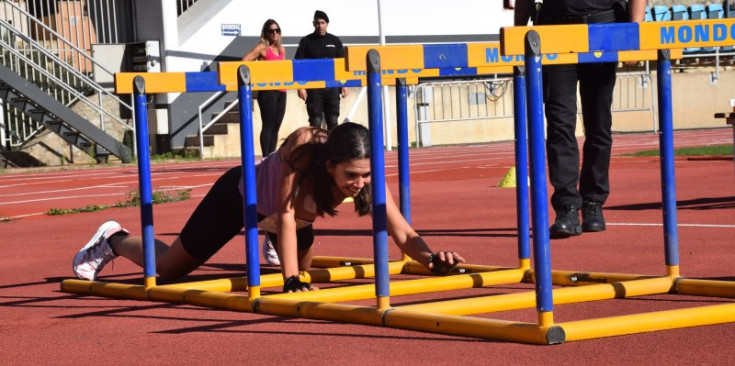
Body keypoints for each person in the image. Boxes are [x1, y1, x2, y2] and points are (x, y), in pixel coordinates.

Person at [72, 123, 465, 292]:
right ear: (329, 165)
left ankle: (276, 246)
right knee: (172, 270)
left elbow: (403, 232)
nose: (359, 184)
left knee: (305, 276)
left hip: (289, 217)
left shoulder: (365, 175)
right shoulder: (305, 151)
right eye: (351, 176)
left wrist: (431, 260)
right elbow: (289, 213)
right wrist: (289, 278)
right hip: (243, 197)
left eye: (365, 176)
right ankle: (114, 238)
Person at [514, 0, 645, 239]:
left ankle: (593, 202)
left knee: (599, 124)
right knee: (559, 123)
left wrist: (632, 34)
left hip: (603, 28)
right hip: (554, 32)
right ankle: (567, 207)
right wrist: (518, 35)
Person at [294, 10, 348, 131]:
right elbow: (299, 64)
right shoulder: (306, 41)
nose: (320, 26)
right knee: (315, 120)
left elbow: (342, 64)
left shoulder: (335, 41)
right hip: (314, 88)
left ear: (327, 24)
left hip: (332, 87)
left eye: (322, 23)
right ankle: (316, 149)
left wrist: (345, 84)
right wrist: (300, 86)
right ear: (314, 24)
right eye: (318, 23)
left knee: (333, 119)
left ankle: (333, 148)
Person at [242, 19, 287, 158]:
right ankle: (266, 157)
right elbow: (244, 62)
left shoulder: (281, 49)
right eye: (271, 31)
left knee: (276, 126)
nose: (274, 33)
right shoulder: (262, 47)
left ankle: (272, 156)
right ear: (265, 33)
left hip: (282, 90)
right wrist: (256, 75)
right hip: (268, 91)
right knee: (268, 125)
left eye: (277, 30)